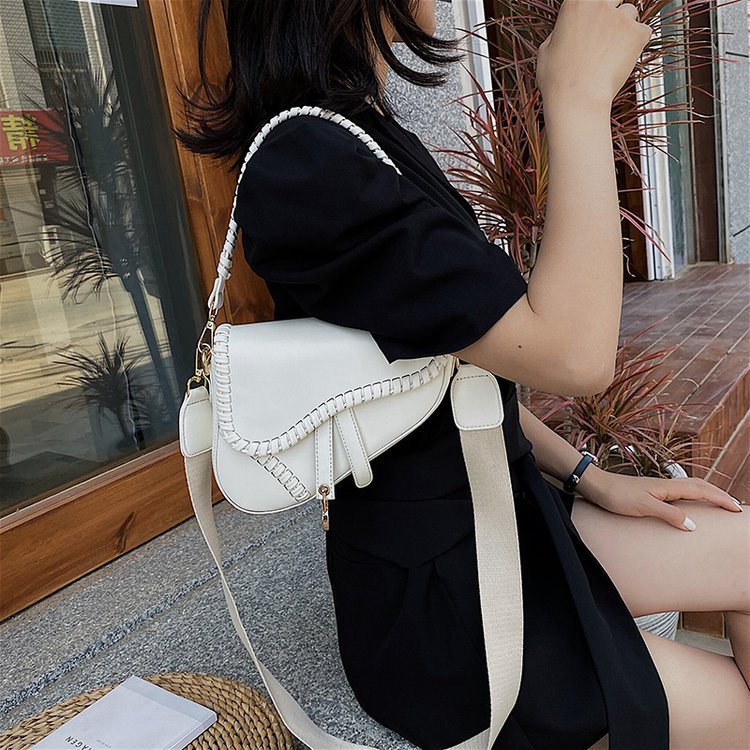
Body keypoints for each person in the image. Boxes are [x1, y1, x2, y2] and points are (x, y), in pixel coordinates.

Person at [176, 1, 750, 747]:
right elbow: (576, 357)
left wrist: (589, 475)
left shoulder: (358, 133)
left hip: (509, 519)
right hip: (445, 602)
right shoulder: (307, 165)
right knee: (735, 712)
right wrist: (576, 95)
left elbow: (456, 364)